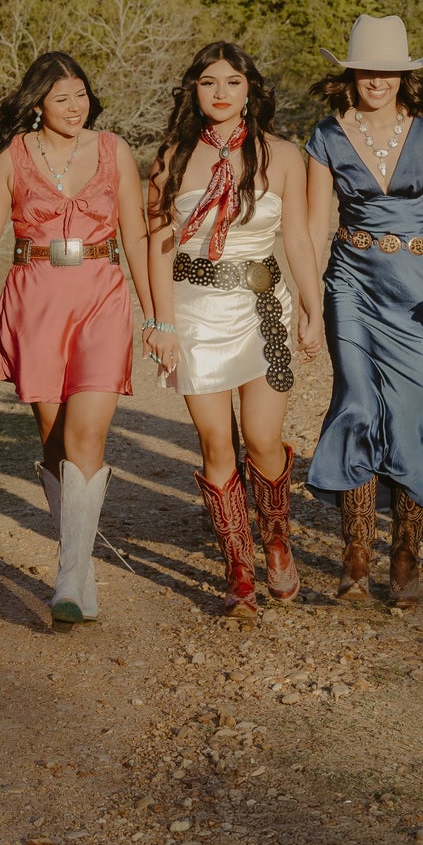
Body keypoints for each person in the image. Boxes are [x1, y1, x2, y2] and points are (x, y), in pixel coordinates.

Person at [0, 52, 152, 626]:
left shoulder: (115, 152)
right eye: (61, 97)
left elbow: (136, 238)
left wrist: (157, 315)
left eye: (81, 94)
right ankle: (81, 569)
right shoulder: (12, 161)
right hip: (35, 296)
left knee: (88, 433)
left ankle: (67, 573)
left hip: (102, 294)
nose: (74, 106)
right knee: (55, 440)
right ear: (38, 101)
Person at [145, 42, 324, 618]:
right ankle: (238, 565)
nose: (220, 92)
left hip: (263, 305)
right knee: (217, 444)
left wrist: (311, 305)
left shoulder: (285, 157)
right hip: (195, 313)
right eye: (207, 82)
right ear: (192, 90)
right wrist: (160, 323)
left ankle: (275, 538)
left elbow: (296, 236)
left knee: (264, 439)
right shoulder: (171, 158)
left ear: (251, 90)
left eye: (232, 82)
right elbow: (157, 244)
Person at [304, 16, 423, 605]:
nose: (378, 80)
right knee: (355, 403)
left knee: (414, 414)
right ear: (351, 72)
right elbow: (317, 225)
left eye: (389, 71)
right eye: (368, 69)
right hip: (351, 283)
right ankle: (354, 554)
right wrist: (307, 298)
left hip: (421, 290)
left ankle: (406, 554)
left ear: (405, 76)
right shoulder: (325, 136)